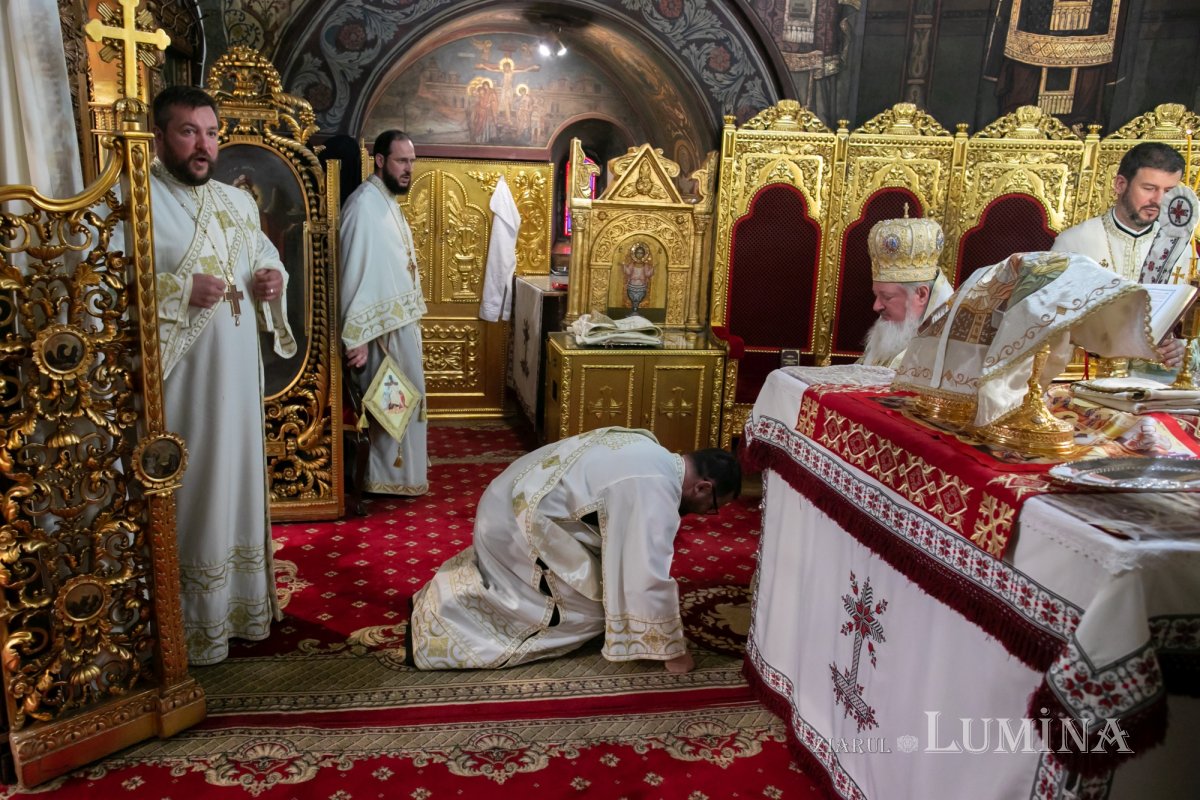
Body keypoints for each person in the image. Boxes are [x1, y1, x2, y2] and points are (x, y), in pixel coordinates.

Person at [149, 85, 297, 665]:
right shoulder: (137, 200)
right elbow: (103, 288)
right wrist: (179, 291)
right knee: (193, 490)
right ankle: (185, 622)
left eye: (211, 132)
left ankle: (237, 609)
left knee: (235, 482)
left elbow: (264, 255)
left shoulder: (236, 203)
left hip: (237, 379)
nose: (203, 145)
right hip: (183, 386)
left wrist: (270, 278)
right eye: (188, 132)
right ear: (160, 136)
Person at [408, 427, 741, 673]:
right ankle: (452, 620)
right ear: (702, 487)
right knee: (597, 612)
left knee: (604, 583)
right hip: (515, 525)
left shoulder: (650, 447)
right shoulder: (655, 490)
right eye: (711, 506)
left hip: (506, 497)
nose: (703, 514)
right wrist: (672, 652)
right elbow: (644, 573)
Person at [339, 129, 429, 496]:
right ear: (379, 160)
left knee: (405, 399)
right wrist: (356, 335)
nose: (408, 169)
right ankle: (383, 478)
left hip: (397, 324)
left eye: (411, 161)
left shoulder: (387, 201)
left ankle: (402, 475)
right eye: (401, 161)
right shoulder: (363, 206)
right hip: (377, 332)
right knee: (389, 400)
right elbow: (353, 270)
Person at [1051, 142, 1190, 367]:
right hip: (1087, 372)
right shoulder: (1074, 242)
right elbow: (1050, 326)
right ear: (1120, 184)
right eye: (1149, 188)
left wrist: (1184, 349)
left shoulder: (1181, 248)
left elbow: (1191, 324)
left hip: (1156, 377)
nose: (1159, 200)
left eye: (1168, 191)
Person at [859, 214, 952, 368]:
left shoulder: (948, 349)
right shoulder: (890, 334)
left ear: (921, 295)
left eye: (887, 297)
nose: (876, 306)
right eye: (877, 295)